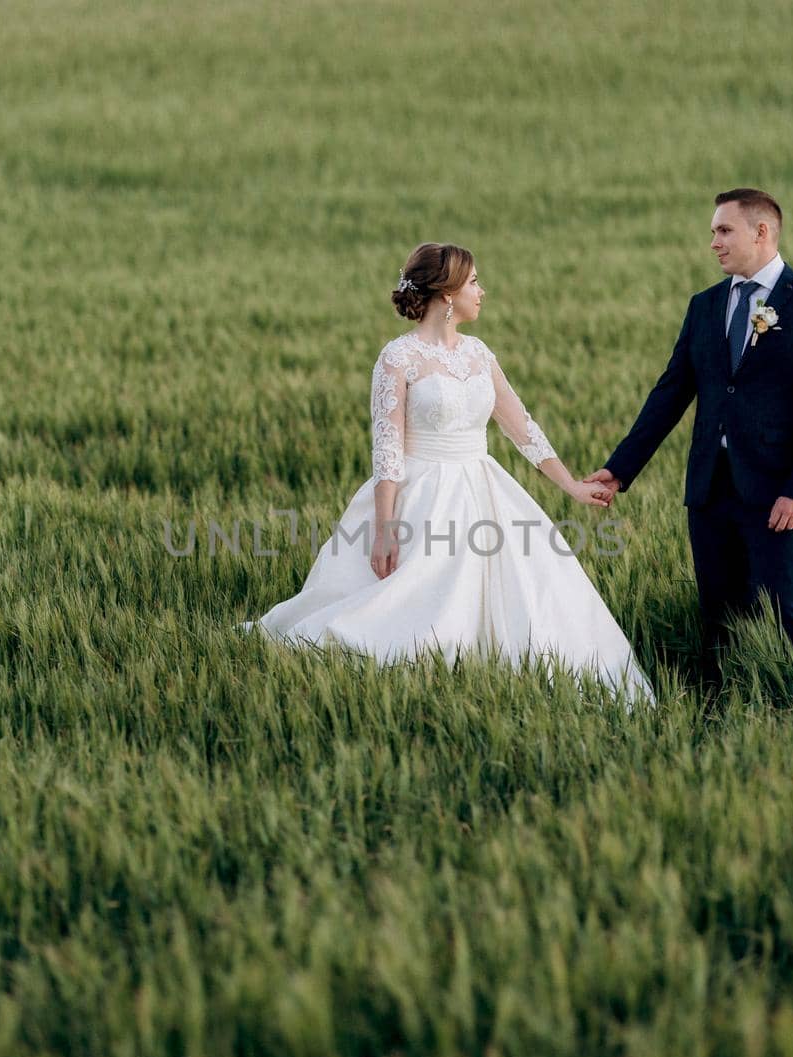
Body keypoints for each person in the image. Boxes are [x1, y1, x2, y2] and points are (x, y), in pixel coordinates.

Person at [243, 242, 656, 709]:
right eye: (474, 282)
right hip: (422, 495)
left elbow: (523, 430)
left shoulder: (479, 354)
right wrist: (384, 527)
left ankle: (516, 682)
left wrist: (573, 487)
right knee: (416, 603)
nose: (482, 291)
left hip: (485, 488)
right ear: (446, 293)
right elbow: (388, 451)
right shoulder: (397, 359)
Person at [584, 189, 793, 687]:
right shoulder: (704, 306)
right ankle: (729, 704)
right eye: (713, 232)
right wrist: (620, 468)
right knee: (719, 614)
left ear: (761, 232)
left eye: (724, 231)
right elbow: (671, 393)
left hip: (775, 493)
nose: (714, 243)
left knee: (783, 610)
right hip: (708, 489)